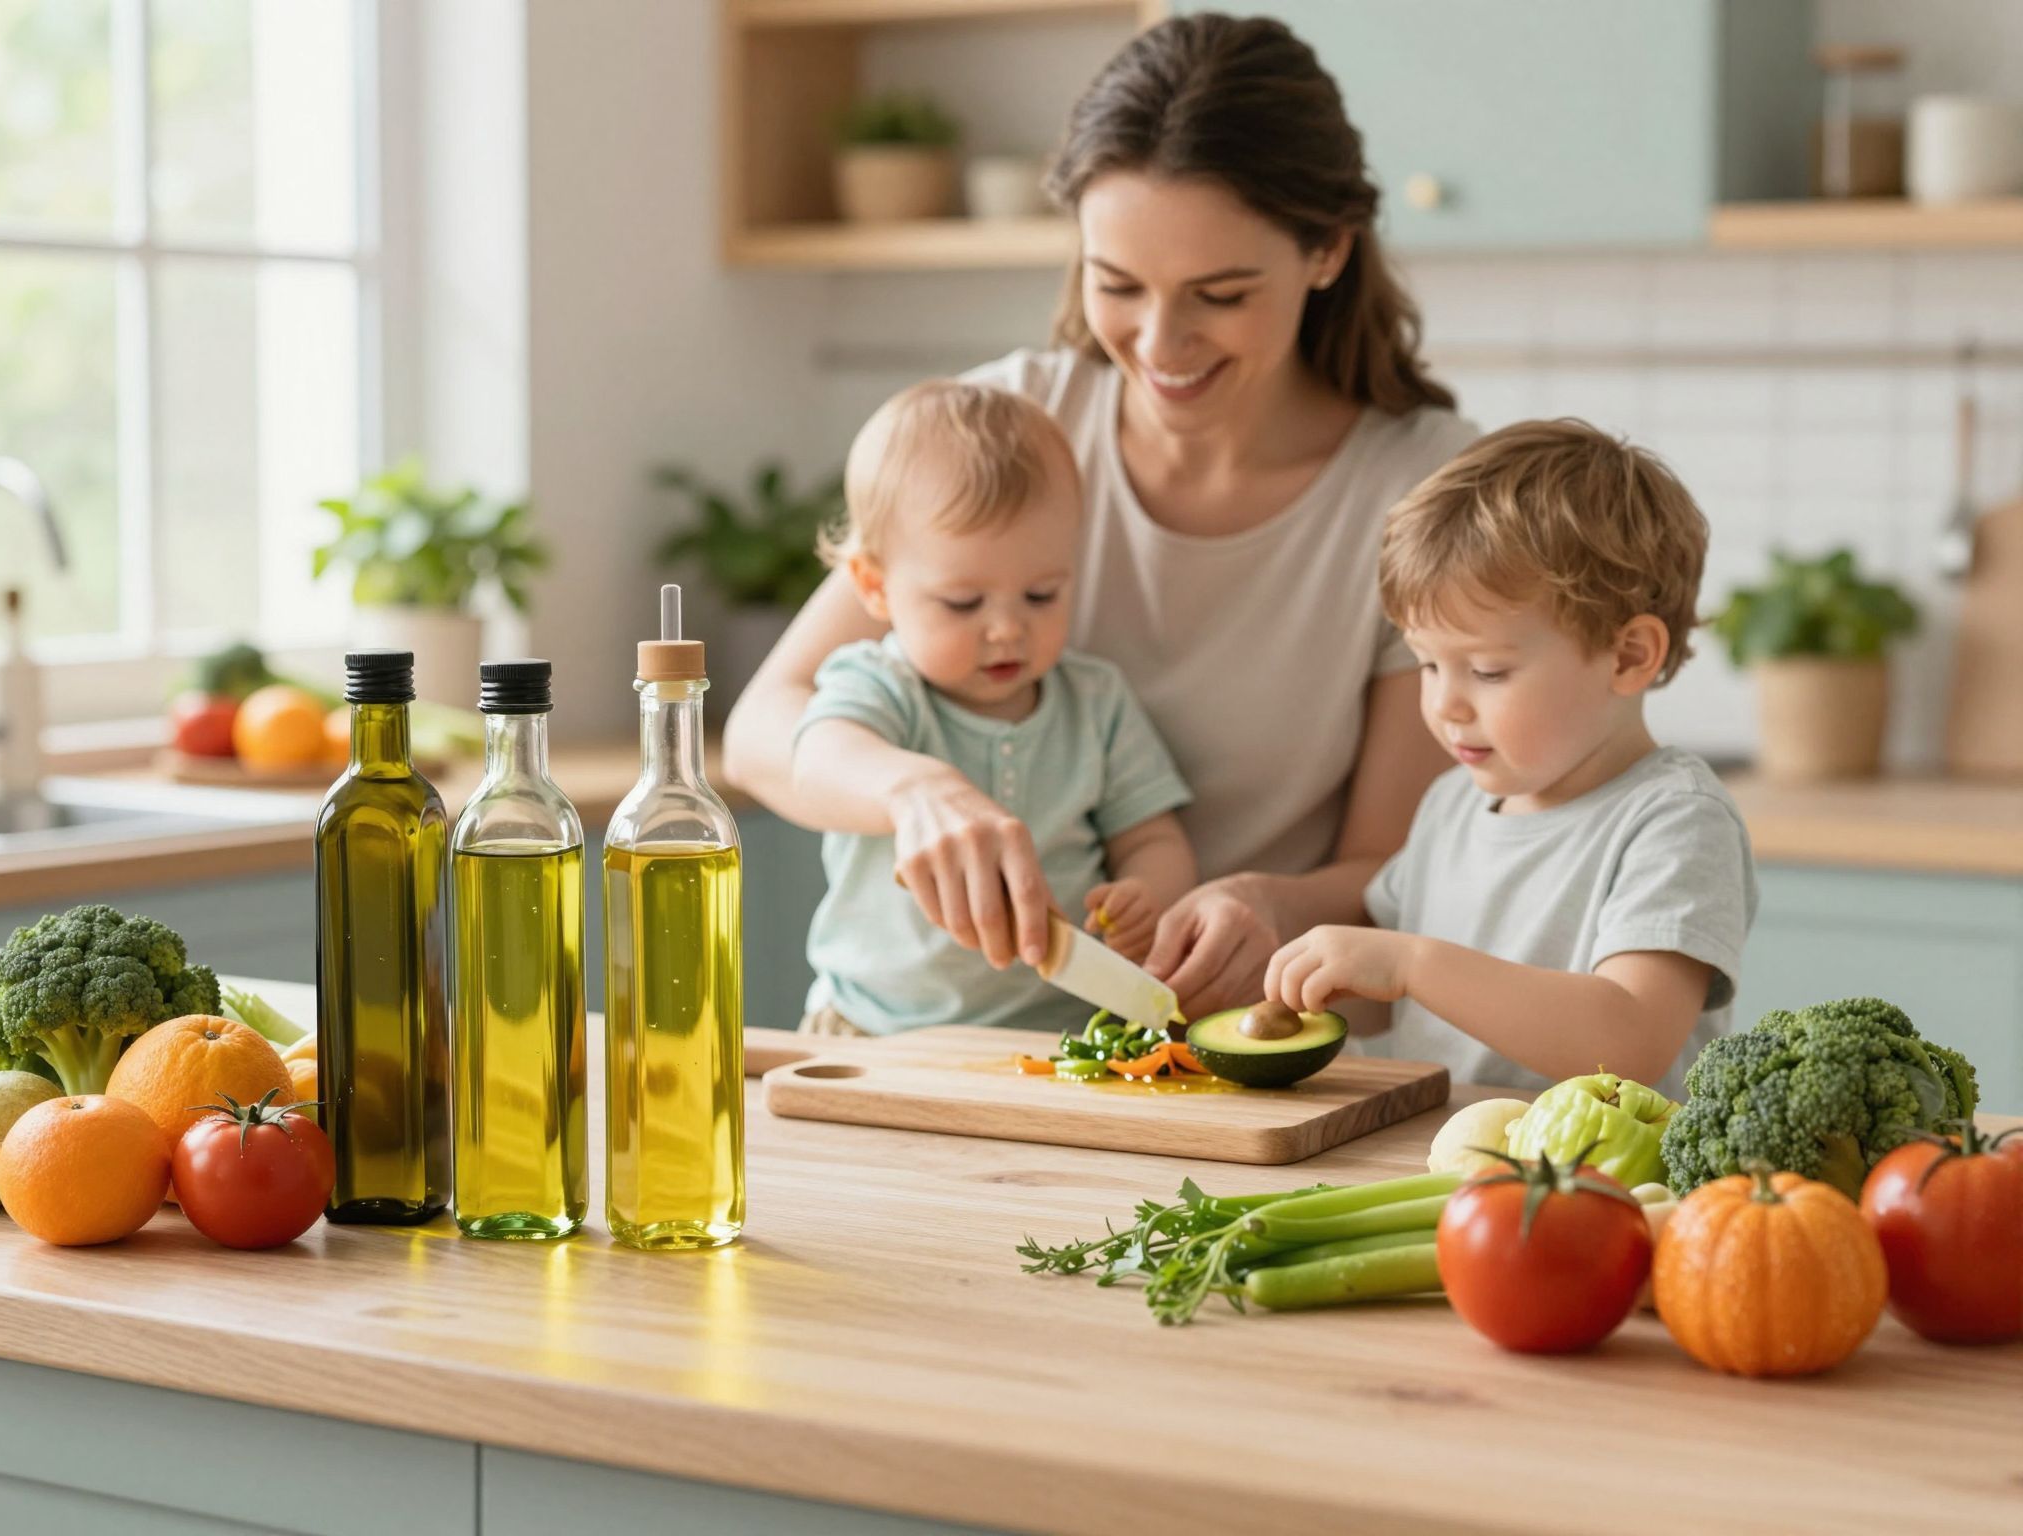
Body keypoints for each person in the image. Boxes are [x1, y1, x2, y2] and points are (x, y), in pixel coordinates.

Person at [727, 13, 1475, 1019]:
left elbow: (1394, 868)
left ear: (1327, 250)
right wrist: (908, 789)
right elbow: (761, 726)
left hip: (1243, 1045)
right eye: (1115, 284)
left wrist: (1272, 907)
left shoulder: (1420, 491)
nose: (1159, 342)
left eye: (1218, 293)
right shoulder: (1012, 428)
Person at [1264, 420, 1759, 1098]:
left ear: (1628, 656)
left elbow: (1628, 1038)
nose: (1445, 705)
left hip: (1605, 1189)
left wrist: (1410, 962)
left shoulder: (1674, 821)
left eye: (1489, 672)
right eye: (1428, 665)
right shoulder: (1452, 804)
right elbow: (1395, 1000)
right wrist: (1307, 983)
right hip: (1446, 1170)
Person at [793, 380, 1196, 1036]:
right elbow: (817, 759)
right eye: (963, 603)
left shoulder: (1095, 701)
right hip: (872, 1027)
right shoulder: (882, 685)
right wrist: (908, 786)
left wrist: (1149, 892)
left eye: (1041, 594)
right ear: (874, 586)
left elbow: (1153, 837)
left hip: (1066, 1032)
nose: (1007, 629)